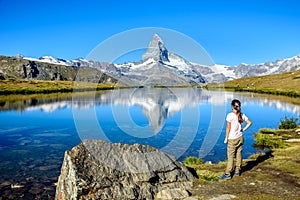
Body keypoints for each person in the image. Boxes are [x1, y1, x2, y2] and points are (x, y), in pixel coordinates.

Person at [220, 99, 252, 180]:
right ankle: (238, 171)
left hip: (232, 139)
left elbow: (228, 128)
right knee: (239, 154)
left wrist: (226, 138)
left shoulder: (230, 115)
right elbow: (249, 123)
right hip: (240, 138)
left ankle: (228, 173)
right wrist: (243, 130)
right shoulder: (241, 115)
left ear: (232, 106)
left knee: (230, 157)